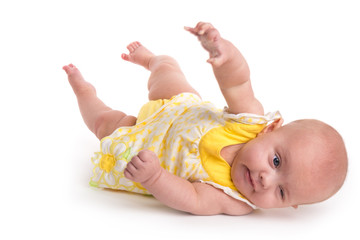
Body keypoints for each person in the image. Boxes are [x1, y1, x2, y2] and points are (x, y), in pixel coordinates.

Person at [63, 22, 348, 215]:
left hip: (143, 144)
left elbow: (193, 199)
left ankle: (84, 92)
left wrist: (155, 177)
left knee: (103, 125)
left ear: (290, 206)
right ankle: (154, 60)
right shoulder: (250, 124)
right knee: (167, 74)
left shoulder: (235, 200)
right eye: (276, 162)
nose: (265, 180)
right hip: (179, 106)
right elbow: (237, 84)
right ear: (271, 130)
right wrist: (224, 55)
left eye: (282, 192)